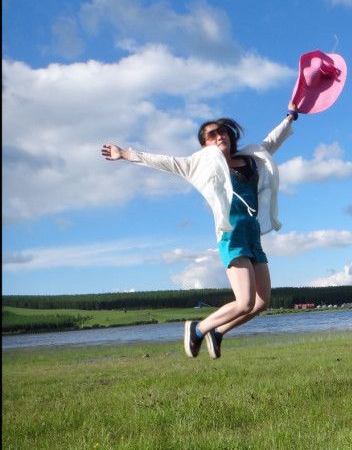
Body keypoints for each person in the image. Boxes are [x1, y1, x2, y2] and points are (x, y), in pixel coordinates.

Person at [102, 106, 300, 358]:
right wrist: (125, 154)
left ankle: (218, 333)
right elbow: (166, 162)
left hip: (253, 236)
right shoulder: (200, 166)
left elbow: (271, 142)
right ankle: (199, 329)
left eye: (223, 132)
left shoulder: (251, 158)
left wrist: (290, 116)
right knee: (244, 302)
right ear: (204, 145)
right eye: (211, 135)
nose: (219, 136)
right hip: (232, 236)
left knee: (261, 303)